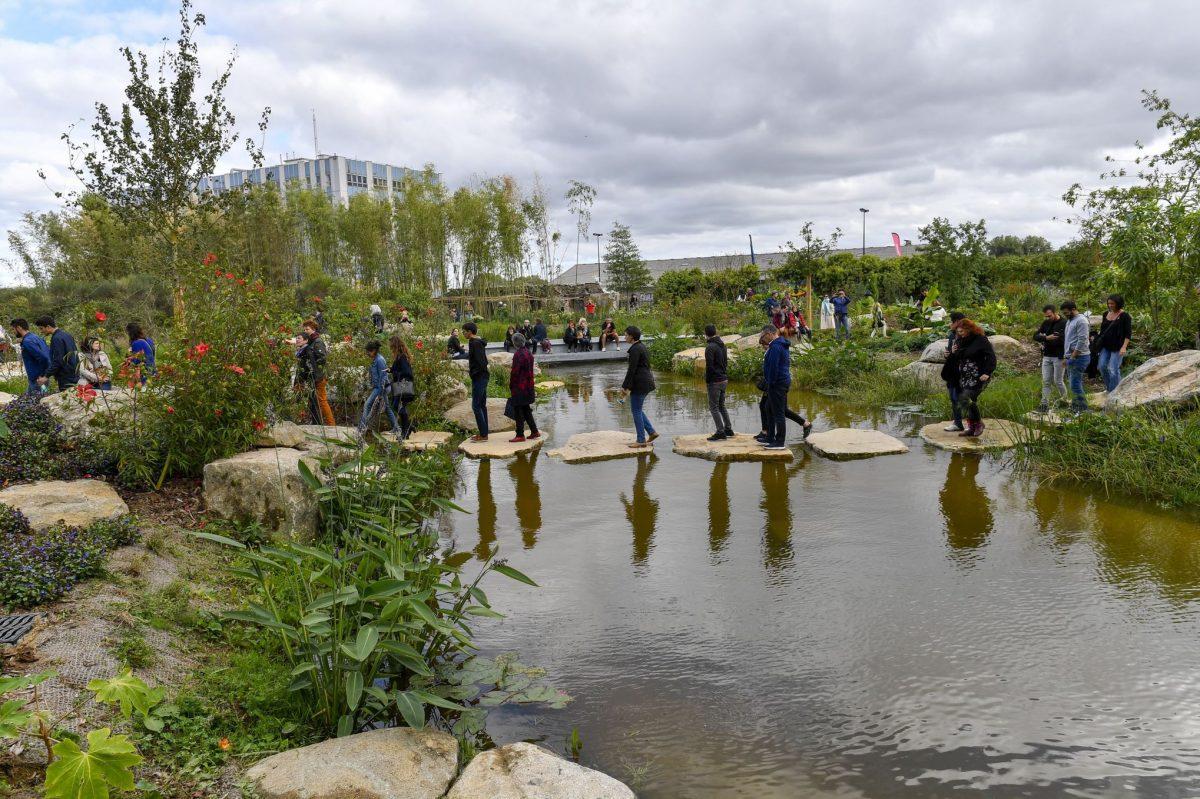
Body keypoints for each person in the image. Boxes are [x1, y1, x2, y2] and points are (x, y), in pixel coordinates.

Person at [944, 318, 996, 437]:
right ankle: (972, 427)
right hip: (964, 377)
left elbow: (991, 357)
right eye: (958, 332)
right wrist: (953, 352)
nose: (959, 334)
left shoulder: (981, 339)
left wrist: (987, 372)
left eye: (961, 331)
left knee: (965, 398)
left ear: (969, 329)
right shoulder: (961, 340)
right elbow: (957, 358)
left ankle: (978, 423)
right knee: (967, 401)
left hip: (979, 376)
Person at [621, 325, 657, 447]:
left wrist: (625, 387)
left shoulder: (635, 350)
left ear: (631, 336)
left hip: (640, 383)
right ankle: (651, 432)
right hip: (646, 382)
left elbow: (632, 370)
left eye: (626, 335)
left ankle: (641, 440)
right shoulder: (641, 346)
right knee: (638, 409)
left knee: (636, 411)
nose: (624, 337)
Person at [759, 324, 793, 450]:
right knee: (768, 407)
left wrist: (770, 383)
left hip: (778, 383)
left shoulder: (776, 347)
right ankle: (770, 437)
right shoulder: (777, 345)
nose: (763, 337)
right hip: (779, 382)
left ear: (770, 333)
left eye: (764, 335)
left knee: (778, 413)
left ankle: (779, 442)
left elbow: (773, 367)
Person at [358, 340, 401, 436]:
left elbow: (383, 376)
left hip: (381, 388)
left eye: (369, 351)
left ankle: (361, 428)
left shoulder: (380, 360)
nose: (367, 353)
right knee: (387, 408)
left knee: (367, 404)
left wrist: (380, 392)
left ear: (374, 350)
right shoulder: (375, 359)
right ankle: (396, 428)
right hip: (379, 387)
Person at [299, 319, 336, 426]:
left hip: (319, 376)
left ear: (313, 329)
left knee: (322, 401)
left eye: (308, 329)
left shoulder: (318, 341)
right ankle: (318, 423)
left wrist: (313, 365)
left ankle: (331, 425)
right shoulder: (311, 341)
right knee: (315, 401)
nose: (305, 331)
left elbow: (322, 358)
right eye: (304, 329)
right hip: (313, 376)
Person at [1033, 304, 1067, 412]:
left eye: (1049, 316)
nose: (1048, 318)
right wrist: (1046, 338)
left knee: (1058, 381)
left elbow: (1063, 340)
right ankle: (1044, 404)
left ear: (1055, 312)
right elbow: (1035, 336)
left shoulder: (1064, 323)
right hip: (1047, 356)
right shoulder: (1046, 323)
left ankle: (1065, 401)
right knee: (1046, 381)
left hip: (1059, 356)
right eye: (1046, 316)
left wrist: (1047, 339)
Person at [703, 324, 734, 441]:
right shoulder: (722, 345)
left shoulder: (710, 347)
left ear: (706, 334)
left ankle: (720, 431)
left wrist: (708, 381)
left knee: (713, 407)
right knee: (721, 405)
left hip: (715, 381)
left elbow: (709, 367)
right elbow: (725, 363)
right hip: (724, 379)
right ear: (715, 332)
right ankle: (728, 429)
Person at [508, 334, 540, 442]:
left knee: (518, 410)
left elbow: (515, 372)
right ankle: (534, 431)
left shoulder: (518, 354)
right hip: (529, 386)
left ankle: (520, 434)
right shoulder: (528, 352)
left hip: (520, 387)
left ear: (515, 342)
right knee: (526, 409)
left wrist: (511, 385)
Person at [1096, 294, 1132, 392]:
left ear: (1118, 303)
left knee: (1113, 369)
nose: (1110, 305)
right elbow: (1103, 330)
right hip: (1106, 346)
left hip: (1118, 346)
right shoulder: (1105, 314)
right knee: (1102, 367)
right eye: (1109, 303)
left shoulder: (1125, 316)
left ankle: (1114, 392)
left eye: (1112, 303)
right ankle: (1110, 389)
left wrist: (1124, 347)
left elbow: (1128, 334)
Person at [1061, 300, 1091, 412]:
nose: (1065, 315)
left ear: (1073, 309)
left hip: (1079, 357)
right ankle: (1075, 407)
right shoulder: (1070, 320)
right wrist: (1066, 357)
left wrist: (1073, 356)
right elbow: (1069, 340)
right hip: (1071, 357)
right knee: (1073, 383)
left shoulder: (1082, 321)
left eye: (1067, 312)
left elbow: (1082, 340)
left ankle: (1083, 409)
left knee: (1075, 384)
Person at [940, 312, 968, 432]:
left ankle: (972, 423)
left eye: (951, 322)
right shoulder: (952, 335)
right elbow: (951, 353)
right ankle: (958, 423)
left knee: (963, 397)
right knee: (953, 396)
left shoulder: (967, 336)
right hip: (952, 370)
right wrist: (948, 354)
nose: (950, 324)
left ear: (957, 322)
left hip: (964, 371)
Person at [36, 316, 79, 392]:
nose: (41, 331)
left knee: (67, 399)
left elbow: (58, 360)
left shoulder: (56, 338)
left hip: (65, 376)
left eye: (41, 328)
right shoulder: (67, 335)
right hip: (74, 373)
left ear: (48, 327)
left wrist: (46, 376)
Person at [464, 322, 490, 441]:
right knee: (481, 405)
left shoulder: (475, 343)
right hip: (481, 376)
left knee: (476, 406)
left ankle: (483, 435)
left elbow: (482, 362)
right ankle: (484, 433)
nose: (463, 333)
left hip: (480, 377)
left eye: (464, 331)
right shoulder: (474, 342)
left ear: (470, 332)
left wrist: (474, 374)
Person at [11, 318, 49, 396]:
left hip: (37, 380)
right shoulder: (36, 337)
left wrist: (41, 376)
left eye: (13, 329)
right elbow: (47, 354)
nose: (13, 332)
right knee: (41, 396)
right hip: (39, 379)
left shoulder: (27, 341)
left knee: (37, 402)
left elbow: (43, 358)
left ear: (19, 328)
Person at [389, 334, 416, 440]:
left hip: (403, 385)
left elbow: (406, 372)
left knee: (399, 407)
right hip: (400, 385)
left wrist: (394, 373)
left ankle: (406, 431)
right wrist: (391, 370)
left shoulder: (402, 357)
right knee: (397, 406)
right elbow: (399, 369)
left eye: (391, 345)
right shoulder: (399, 356)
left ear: (395, 345)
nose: (390, 347)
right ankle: (408, 427)